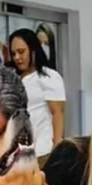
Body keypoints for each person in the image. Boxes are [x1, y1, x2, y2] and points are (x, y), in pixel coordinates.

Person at [7, 28, 66, 163]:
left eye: (21, 52)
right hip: (17, 153)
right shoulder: (15, 78)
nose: (17, 57)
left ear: (33, 50)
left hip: (43, 152)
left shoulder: (49, 76)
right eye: (13, 53)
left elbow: (58, 112)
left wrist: (58, 148)